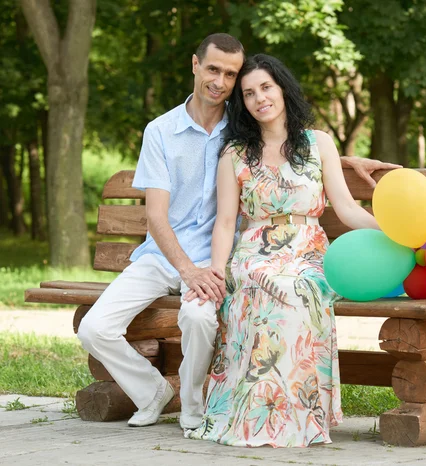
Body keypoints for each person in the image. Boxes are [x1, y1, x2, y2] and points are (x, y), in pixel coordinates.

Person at [76, 34, 399, 433]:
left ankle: (197, 405)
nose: (222, 81)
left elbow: (288, 143)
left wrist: (345, 161)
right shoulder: (166, 133)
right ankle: (153, 393)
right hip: (167, 256)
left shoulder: (242, 125)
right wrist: (191, 272)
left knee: (201, 319)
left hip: (224, 258)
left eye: (231, 74)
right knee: (93, 328)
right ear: (195, 65)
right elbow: (157, 219)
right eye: (214, 69)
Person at [186, 54, 383, 447]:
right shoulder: (235, 154)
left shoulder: (318, 142)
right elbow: (226, 222)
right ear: (242, 103)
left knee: (299, 287)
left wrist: (391, 231)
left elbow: (345, 208)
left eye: (266, 87)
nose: (259, 98)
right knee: (261, 284)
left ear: (282, 88)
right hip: (252, 252)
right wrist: (217, 271)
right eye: (248, 93)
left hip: (308, 250)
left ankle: (297, 413)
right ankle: (252, 412)